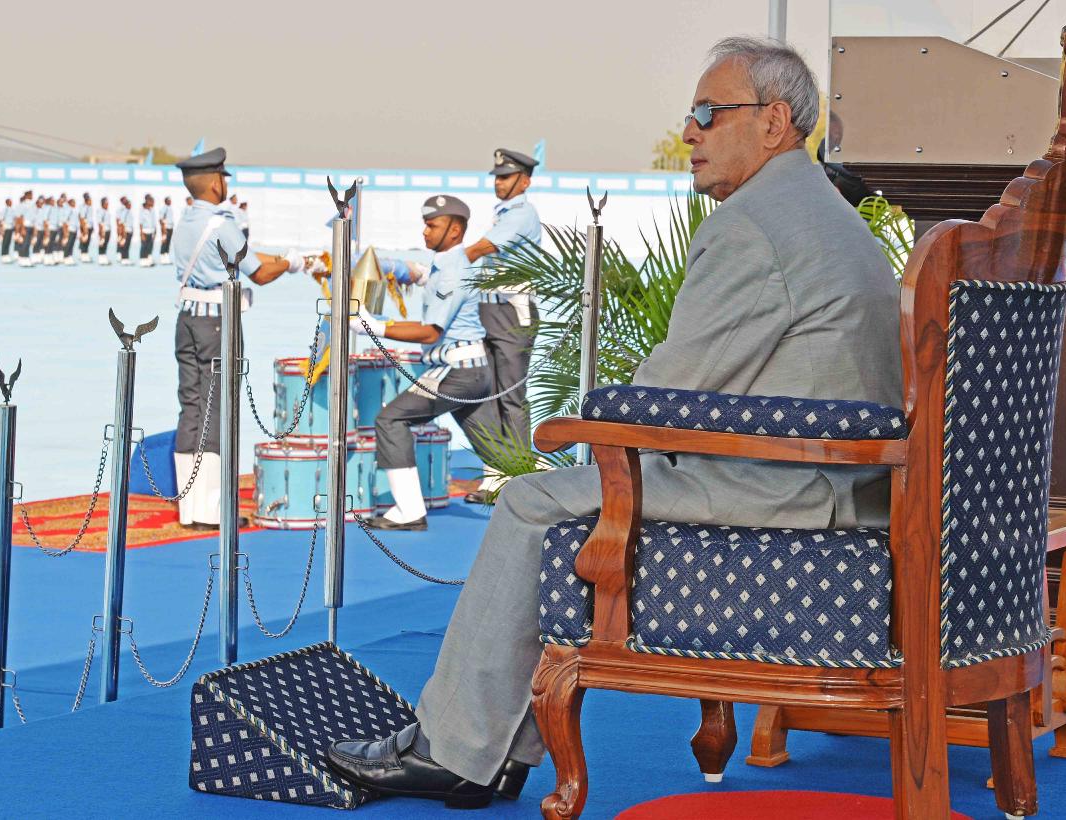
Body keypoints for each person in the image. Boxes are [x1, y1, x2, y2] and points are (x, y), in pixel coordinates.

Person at [323, 36, 902, 809]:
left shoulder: (755, 225)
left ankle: (454, 750)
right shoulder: (828, 214)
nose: (689, 131)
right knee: (560, 493)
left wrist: (587, 419)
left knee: (530, 500)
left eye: (708, 113)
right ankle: (494, 749)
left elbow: (669, 391)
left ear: (774, 122)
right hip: (838, 482)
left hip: (782, 489)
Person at [170, 146, 304, 528]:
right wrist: (291, 263)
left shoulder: (186, 221)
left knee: (191, 407)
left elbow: (247, 257)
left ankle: (189, 508)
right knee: (217, 409)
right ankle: (212, 510)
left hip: (187, 319)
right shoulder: (221, 223)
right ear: (215, 183)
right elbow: (258, 272)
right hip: (217, 324)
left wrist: (285, 259)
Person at [354, 195, 498, 531]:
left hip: (457, 373)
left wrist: (374, 326)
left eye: (432, 225)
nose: (425, 231)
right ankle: (535, 493)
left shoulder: (452, 272)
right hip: (472, 370)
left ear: (455, 230)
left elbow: (431, 331)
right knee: (497, 451)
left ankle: (409, 511)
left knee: (390, 420)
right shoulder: (446, 266)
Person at [460, 148, 543, 504]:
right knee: (490, 394)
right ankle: (497, 474)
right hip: (490, 309)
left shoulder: (522, 214)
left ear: (525, 181)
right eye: (496, 177)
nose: (499, 182)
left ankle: (518, 475)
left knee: (510, 397)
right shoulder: (503, 214)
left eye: (506, 177)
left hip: (511, 312)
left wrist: (446, 264)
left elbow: (481, 249)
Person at [137, 194, 157, 267]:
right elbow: (140, 222)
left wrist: (155, 231)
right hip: (145, 231)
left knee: (150, 246)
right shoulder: (142, 210)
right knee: (144, 246)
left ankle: (148, 260)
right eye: (151, 201)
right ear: (147, 201)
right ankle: (142, 260)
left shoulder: (152, 210)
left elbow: (154, 221)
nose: (152, 202)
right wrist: (141, 233)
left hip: (151, 231)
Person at [116, 196, 133, 265]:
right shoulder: (124, 211)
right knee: (124, 245)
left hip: (129, 230)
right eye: (129, 204)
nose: (130, 205)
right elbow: (121, 223)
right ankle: (123, 258)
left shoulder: (129, 211)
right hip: (125, 230)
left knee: (127, 245)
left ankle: (126, 258)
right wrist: (122, 232)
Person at [77, 193, 94, 262]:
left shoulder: (89, 207)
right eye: (89, 200)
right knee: (85, 241)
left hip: (89, 226)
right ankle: (84, 255)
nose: (91, 201)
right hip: (85, 227)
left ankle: (84, 254)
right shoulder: (84, 207)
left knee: (87, 241)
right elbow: (82, 218)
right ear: (86, 200)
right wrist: (84, 229)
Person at [96, 196, 112, 265]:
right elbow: (100, 223)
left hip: (108, 229)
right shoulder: (100, 211)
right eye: (106, 203)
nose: (107, 205)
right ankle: (101, 258)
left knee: (105, 244)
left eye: (108, 203)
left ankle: (104, 258)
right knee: (102, 244)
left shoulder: (106, 211)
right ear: (102, 204)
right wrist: (101, 233)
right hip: (103, 230)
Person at [0, 198, 16, 263]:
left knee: (8, 241)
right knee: (5, 242)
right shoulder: (4, 210)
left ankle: (7, 254)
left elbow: (14, 219)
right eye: (10, 202)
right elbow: (1, 220)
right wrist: (1, 229)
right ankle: (3, 255)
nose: (11, 203)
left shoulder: (12, 210)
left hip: (11, 227)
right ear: (7, 203)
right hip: (6, 227)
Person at [158, 195, 174, 264]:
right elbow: (161, 219)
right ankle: (162, 257)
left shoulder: (170, 208)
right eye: (168, 200)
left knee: (168, 243)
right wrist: (163, 230)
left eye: (170, 200)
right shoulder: (164, 208)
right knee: (164, 242)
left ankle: (166, 256)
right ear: (165, 201)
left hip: (170, 227)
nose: (170, 201)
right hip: (165, 228)